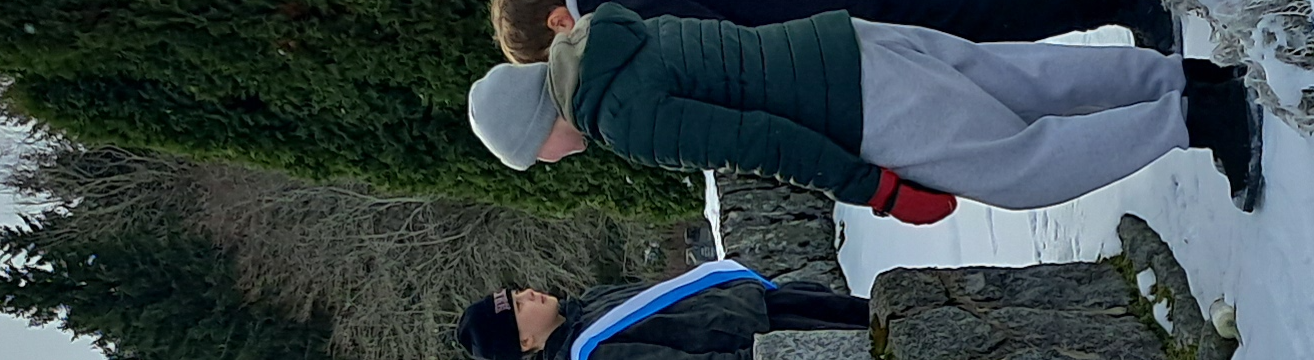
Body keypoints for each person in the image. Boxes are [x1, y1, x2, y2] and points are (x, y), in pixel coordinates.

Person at [465, 5, 1261, 221]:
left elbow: (761, 141)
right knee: (1022, 78)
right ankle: (1185, 78)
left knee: (1020, 170)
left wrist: (877, 191)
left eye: (538, 155)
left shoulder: (621, 117)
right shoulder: (612, 37)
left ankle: (1199, 118)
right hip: (842, 41)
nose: (552, 161)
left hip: (856, 105)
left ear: (540, 128)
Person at [454, 260, 867, 360]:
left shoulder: (590, 302)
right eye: (519, 307)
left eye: (517, 293)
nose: (528, 294)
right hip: (771, 339)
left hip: (763, 306)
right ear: (524, 342)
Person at [490, 0, 1180, 63]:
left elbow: (718, 40)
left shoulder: (618, 16)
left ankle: (1122, 3)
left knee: (969, 22)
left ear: (559, 22)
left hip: (813, 18)